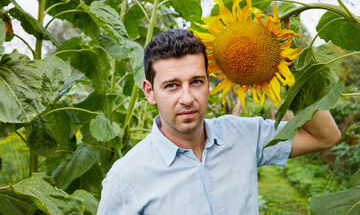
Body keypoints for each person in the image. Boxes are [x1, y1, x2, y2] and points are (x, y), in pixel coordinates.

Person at [97, 29, 341, 214]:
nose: (187, 98)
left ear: (208, 83)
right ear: (149, 92)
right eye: (172, 86)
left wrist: (285, 68)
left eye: (196, 82)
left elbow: (325, 136)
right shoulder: (126, 178)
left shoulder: (244, 135)